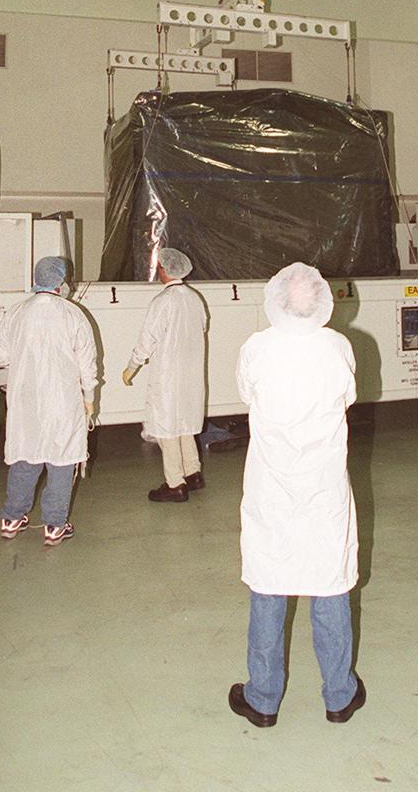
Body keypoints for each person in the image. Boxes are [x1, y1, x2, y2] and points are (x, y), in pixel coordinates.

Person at [228, 263, 365, 728]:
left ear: (276, 299)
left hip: (273, 486)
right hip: (324, 486)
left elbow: (247, 395)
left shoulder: (257, 348)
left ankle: (263, 699)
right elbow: (346, 397)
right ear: (323, 301)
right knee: (330, 584)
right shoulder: (337, 347)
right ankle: (339, 696)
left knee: (269, 583)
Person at [0, 255, 97, 546]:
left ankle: (12, 518)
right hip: (63, 400)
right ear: (61, 283)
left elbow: (0, 355)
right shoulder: (73, 314)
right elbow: (87, 363)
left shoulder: (17, 312)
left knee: (26, 456)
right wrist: (89, 398)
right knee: (62, 460)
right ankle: (54, 526)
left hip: (26, 400)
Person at [123, 247, 207, 502]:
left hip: (169, 375)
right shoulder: (195, 299)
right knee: (184, 424)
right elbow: (202, 327)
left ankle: (175, 484)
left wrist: (131, 367)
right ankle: (193, 473)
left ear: (165, 269)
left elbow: (147, 339)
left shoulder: (163, 301)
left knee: (167, 427)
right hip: (191, 373)